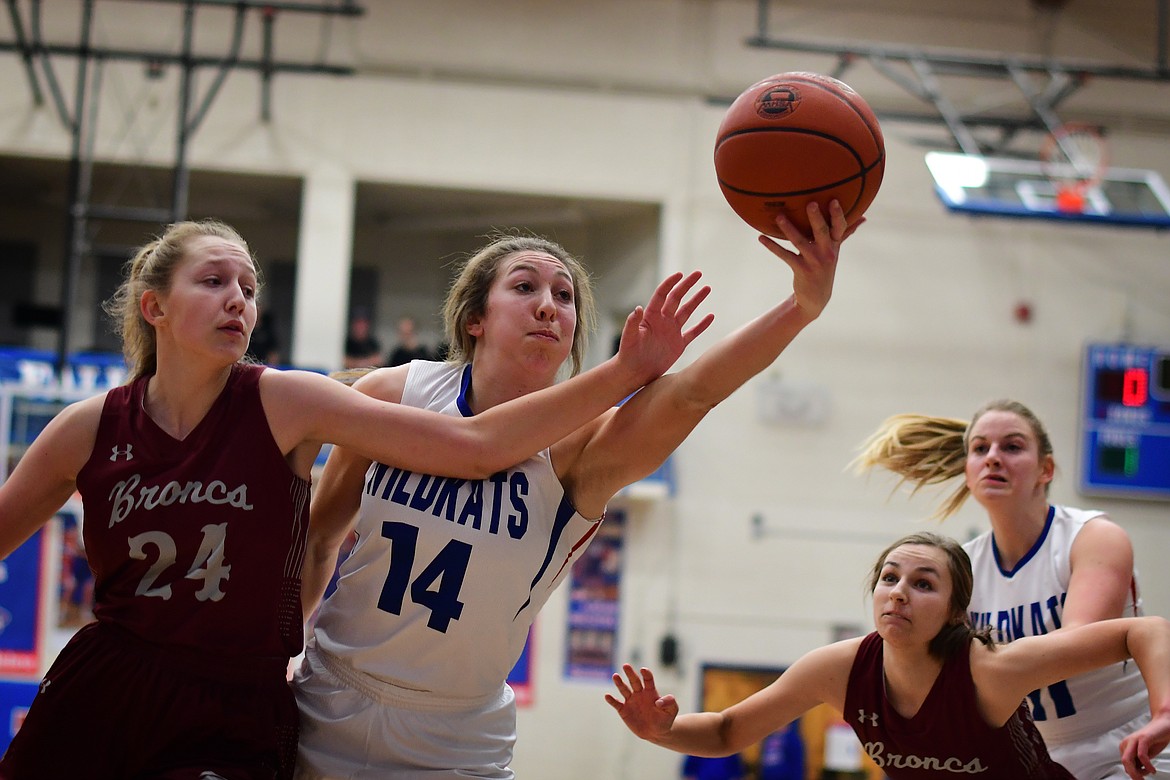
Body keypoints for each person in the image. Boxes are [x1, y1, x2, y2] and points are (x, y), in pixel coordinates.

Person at [0, 218, 705, 780]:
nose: (238, 298)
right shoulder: (88, 427)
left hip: (236, 696)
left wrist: (627, 372)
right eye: (214, 281)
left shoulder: (287, 399)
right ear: (153, 305)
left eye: (249, 286)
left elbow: (475, 446)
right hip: (113, 675)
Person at [294, 201, 858, 779]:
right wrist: (280, 653)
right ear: (474, 319)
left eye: (565, 296)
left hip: (455, 735)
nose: (548, 305)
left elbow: (693, 392)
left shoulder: (582, 449)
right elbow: (316, 543)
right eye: (524, 286)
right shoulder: (395, 393)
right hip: (331, 696)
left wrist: (801, 307)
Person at [606, 531, 1170, 780]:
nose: (898, 591)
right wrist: (661, 731)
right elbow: (729, 731)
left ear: (956, 611)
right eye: (889, 577)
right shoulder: (839, 668)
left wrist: (1165, 714)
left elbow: (1145, 631)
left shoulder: (991, 670)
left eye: (924, 584)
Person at [854, 399, 1170, 779]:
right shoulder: (963, 567)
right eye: (980, 449)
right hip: (1033, 753)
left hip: (1125, 741)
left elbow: (1075, 646)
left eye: (1012, 446)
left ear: (1045, 469)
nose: (993, 458)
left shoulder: (1092, 538)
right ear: (968, 471)